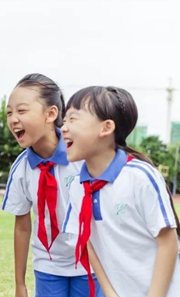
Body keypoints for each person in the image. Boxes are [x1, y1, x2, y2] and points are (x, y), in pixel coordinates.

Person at [61, 86, 180, 297]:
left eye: (73, 119)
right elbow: (88, 243)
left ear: (105, 128)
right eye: (64, 120)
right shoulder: (78, 186)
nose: (63, 127)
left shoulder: (140, 176)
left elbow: (168, 242)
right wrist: (109, 292)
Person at [1, 74, 102, 297]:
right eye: (9, 112)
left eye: (22, 110)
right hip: (47, 264)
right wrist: (20, 284)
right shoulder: (21, 168)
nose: (13, 119)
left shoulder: (81, 157)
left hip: (90, 262)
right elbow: (22, 226)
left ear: (51, 114)